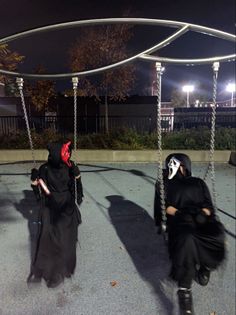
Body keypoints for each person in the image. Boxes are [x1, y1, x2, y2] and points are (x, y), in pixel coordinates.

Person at [154, 153, 225, 315]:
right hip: (181, 219)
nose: (178, 169)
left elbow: (208, 205)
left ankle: (205, 266)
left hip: (201, 216)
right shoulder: (165, 185)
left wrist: (204, 213)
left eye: (179, 165)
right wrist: (178, 214)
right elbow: (164, 207)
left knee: (215, 234)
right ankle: (185, 293)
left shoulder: (198, 183)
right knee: (187, 238)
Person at [29, 140, 83, 288]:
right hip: (52, 209)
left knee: (63, 240)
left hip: (64, 209)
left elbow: (77, 193)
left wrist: (77, 177)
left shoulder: (67, 167)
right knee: (51, 240)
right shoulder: (46, 169)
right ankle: (52, 273)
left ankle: (59, 271)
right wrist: (35, 181)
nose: (68, 155)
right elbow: (39, 193)